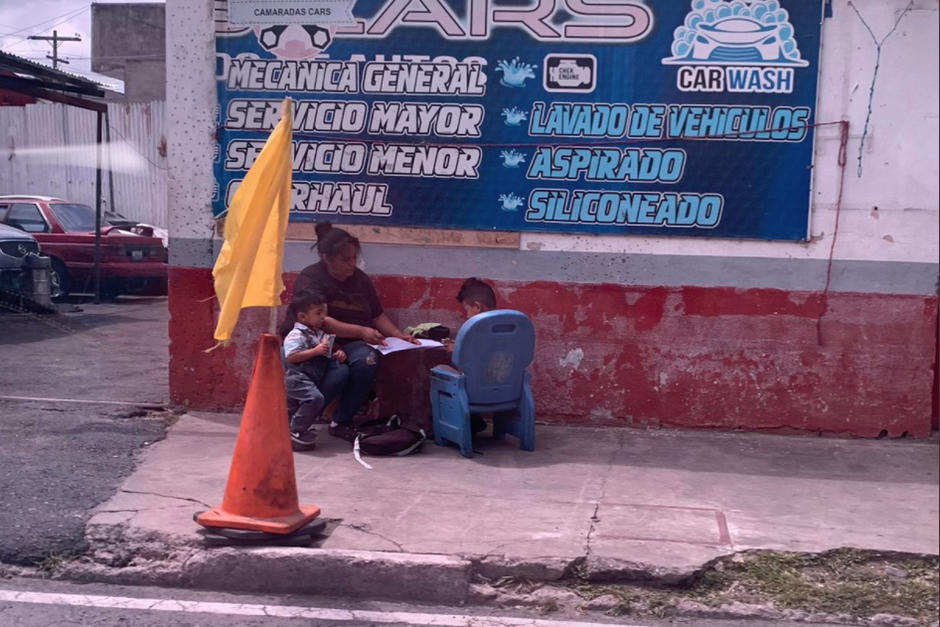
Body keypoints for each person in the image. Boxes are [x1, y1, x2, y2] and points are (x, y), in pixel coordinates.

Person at [284, 222, 417, 442]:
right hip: (315, 342)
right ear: (327, 258)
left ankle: (341, 420)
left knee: (367, 360)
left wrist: (398, 335)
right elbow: (321, 321)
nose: (351, 265)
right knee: (337, 371)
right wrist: (361, 331)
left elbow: (377, 315)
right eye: (345, 260)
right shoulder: (311, 279)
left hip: (353, 343)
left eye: (354, 258)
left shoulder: (360, 280)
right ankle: (302, 417)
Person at [281, 289, 348, 451]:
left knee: (293, 407)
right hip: (298, 378)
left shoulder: (319, 334)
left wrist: (337, 353)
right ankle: (296, 430)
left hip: (311, 377)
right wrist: (315, 351)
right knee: (315, 399)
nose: (323, 317)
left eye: (324, 312)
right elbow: (291, 356)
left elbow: (329, 351)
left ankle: (290, 431)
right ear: (302, 317)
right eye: (318, 313)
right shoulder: (296, 335)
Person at [446, 277, 498, 434]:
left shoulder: (474, 329)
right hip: (506, 388)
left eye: (466, 310)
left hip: (476, 390)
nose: (467, 316)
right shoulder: (507, 326)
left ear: (477, 307)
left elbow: (467, 360)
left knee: (440, 371)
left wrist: (455, 349)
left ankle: (463, 421)